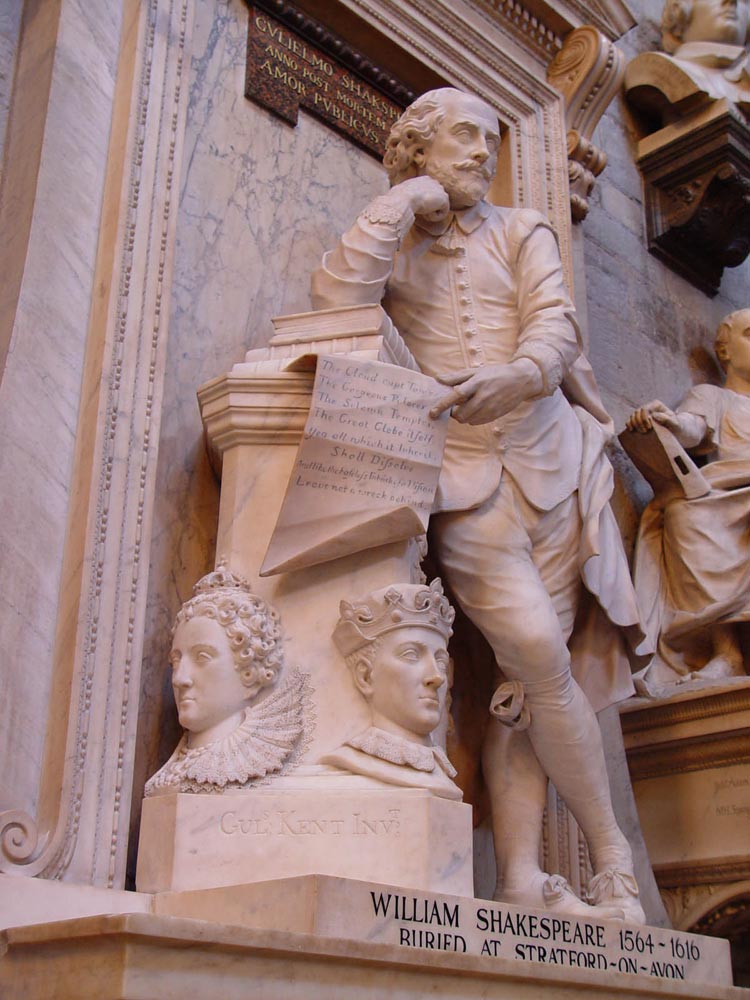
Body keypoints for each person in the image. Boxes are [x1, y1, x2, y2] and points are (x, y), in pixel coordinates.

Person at [312, 88, 646, 921]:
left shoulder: (523, 229)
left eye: (491, 142)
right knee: (536, 650)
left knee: (529, 678)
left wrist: (525, 374)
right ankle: (613, 860)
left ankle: (523, 878)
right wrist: (402, 201)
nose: (481, 154)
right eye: (464, 139)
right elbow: (333, 299)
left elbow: (557, 325)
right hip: (462, 481)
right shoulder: (397, 235)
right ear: (418, 146)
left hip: (554, 465)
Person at [626, 309, 750, 692]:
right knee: (682, 513)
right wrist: (671, 423)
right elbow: (695, 427)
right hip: (728, 492)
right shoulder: (713, 396)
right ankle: (727, 651)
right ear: (724, 350)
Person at [145, 564, 305, 795]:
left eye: (202, 657)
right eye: (176, 660)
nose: (180, 679)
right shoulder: (166, 775)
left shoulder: (243, 767)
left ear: (249, 670)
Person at [322, 578, 462, 800]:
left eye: (441, 660)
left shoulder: (442, 773)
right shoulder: (351, 764)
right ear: (365, 676)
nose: (436, 677)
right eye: (411, 655)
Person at [626, 0, 750, 122]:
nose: (732, 2)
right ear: (680, 9)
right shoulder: (653, 70)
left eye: (743, 1)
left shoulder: (745, 82)